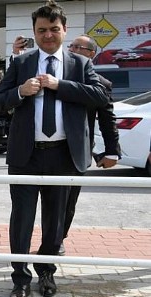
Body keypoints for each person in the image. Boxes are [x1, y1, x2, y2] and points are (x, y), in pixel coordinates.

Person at [0, 1, 108, 297]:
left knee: (55, 221)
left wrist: (60, 85)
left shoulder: (79, 65)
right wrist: (20, 92)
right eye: (41, 30)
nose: (48, 35)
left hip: (63, 155)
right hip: (26, 156)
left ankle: (46, 270)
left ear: (64, 30)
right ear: (34, 31)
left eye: (54, 29)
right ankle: (20, 279)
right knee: (22, 219)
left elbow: (99, 95)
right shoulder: (21, 63)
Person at [13, 34, 120, 256]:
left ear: (91, 54)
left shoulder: (97, 83)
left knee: (65, 206)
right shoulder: (37, 68)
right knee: (29, 212)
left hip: (74, 153)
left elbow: (107, 118)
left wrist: (112, 151)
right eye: (71, 46)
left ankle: (56, 241)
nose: (72, 50)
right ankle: (42, 252)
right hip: (33, 153)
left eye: (78, 47)